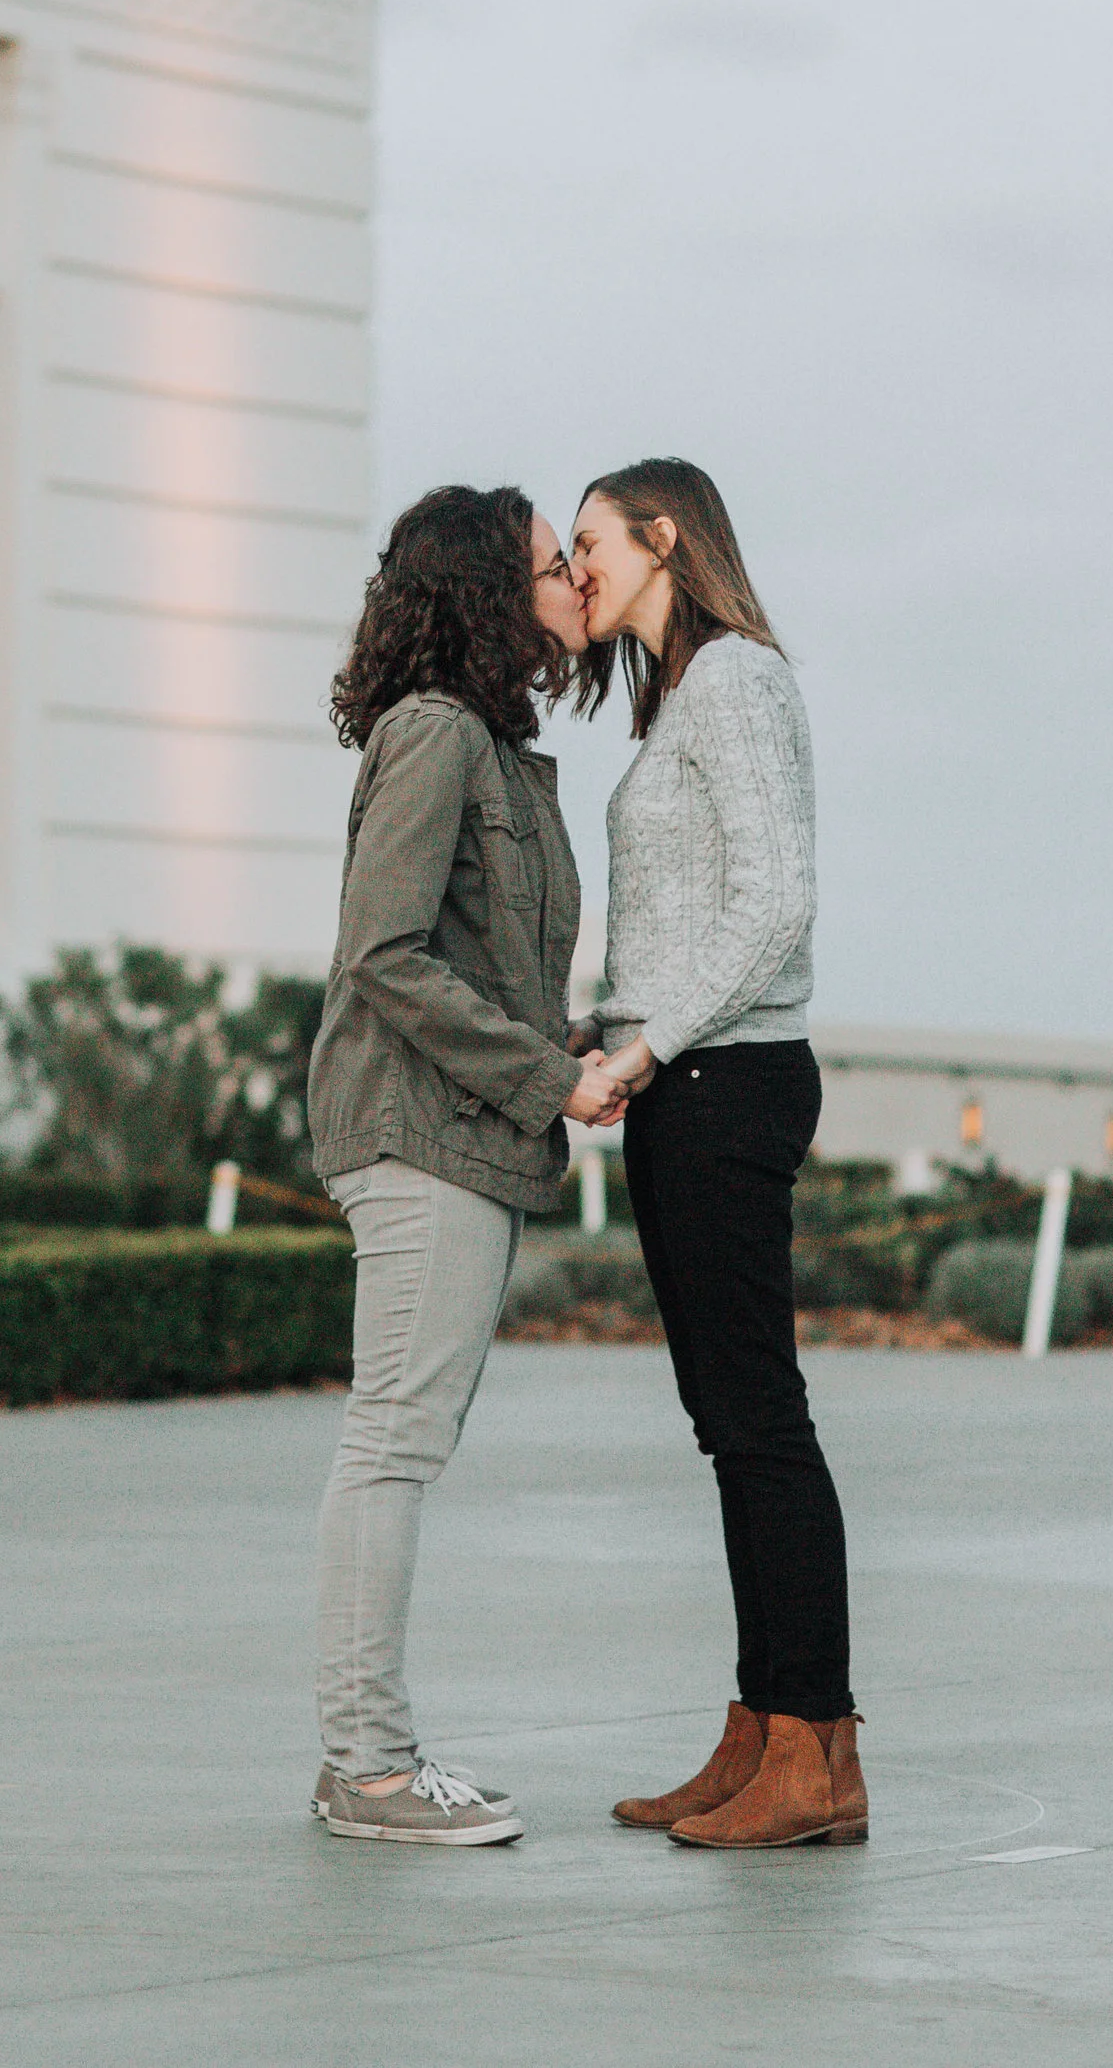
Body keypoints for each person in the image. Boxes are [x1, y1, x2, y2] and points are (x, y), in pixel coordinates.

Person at [306, 482, 621, 1847]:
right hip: (418, 1131)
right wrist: (552, 1079)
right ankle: (369, 1768)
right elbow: (384, 955)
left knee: (400, 1437)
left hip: (458, 1132)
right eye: (553, 566)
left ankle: (364, 1762)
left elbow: (472, 957)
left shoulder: (487, 743)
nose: (575, 585)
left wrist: (572, 1043)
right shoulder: (437, 732)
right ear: (492, 593)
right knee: (394, 1439)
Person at [575, 459, 866, 1850]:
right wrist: (608, 1035)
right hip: (686, 1076)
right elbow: (689, 919)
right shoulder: (681, 696)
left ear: (664, 536)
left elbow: (775, 902)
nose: (576, 569)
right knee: (729, 1423)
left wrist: (645, 1046)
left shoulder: (738, 680)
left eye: (590, 541)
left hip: (725, 1079)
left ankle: (813, 1753)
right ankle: (765, 1734)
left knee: (760, 1422)